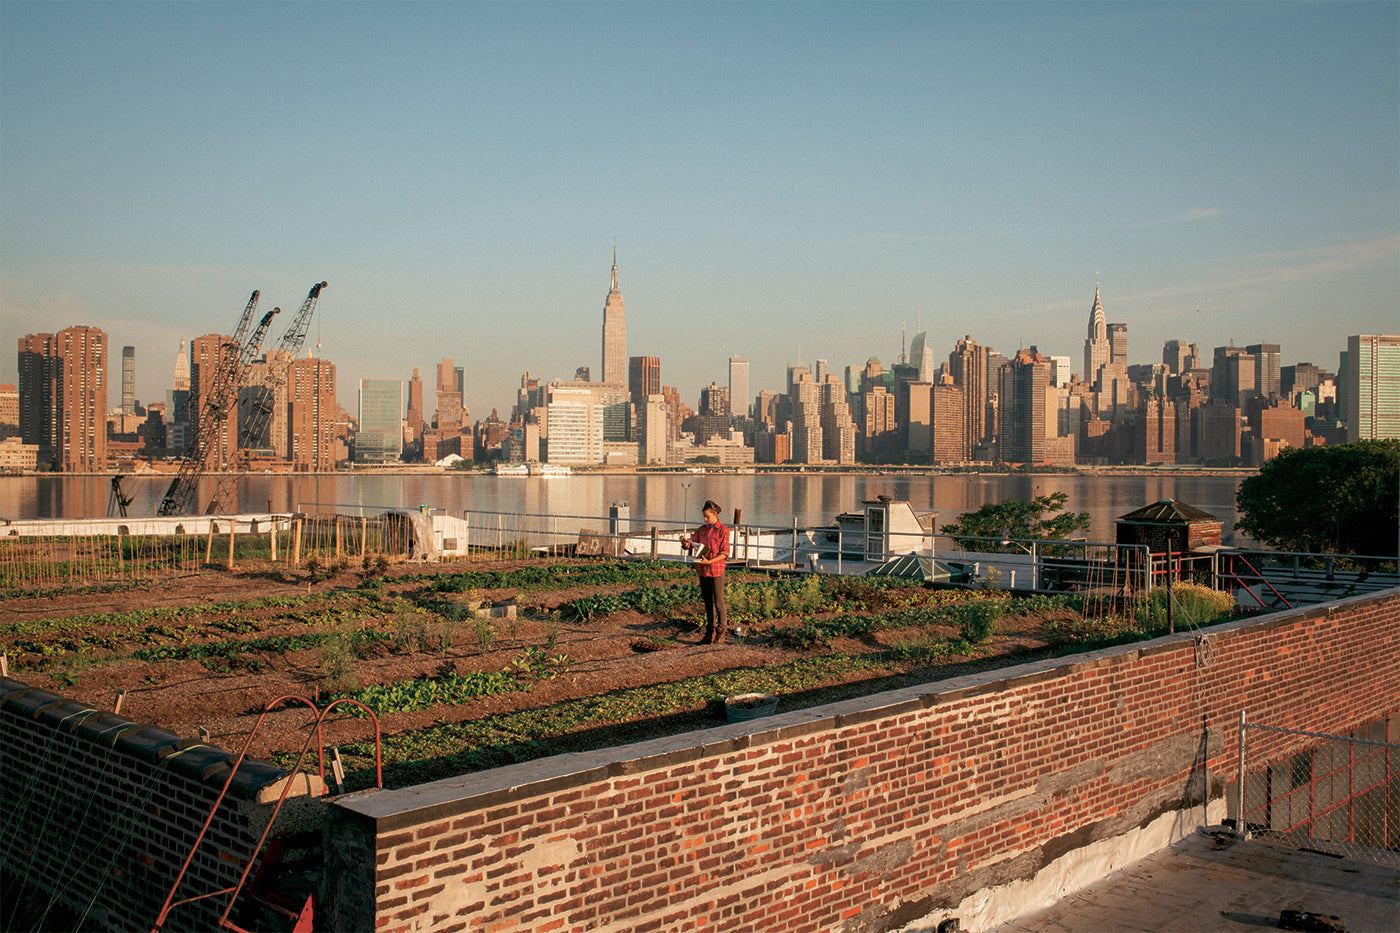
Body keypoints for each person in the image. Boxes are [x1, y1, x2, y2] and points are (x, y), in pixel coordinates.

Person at [680, 500, 730, 644]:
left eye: (707, 516)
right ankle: (709, 632)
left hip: (716, 569)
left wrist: (711, 561)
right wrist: (684, 542)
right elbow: (690, 543)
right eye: (704, 516)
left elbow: (725, 553)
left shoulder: (723, 530)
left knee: (718, 602)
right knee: (708, 603)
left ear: (715, 514)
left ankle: (722, 629)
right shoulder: (702, 529)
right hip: (702, 569)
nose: (705, 519)